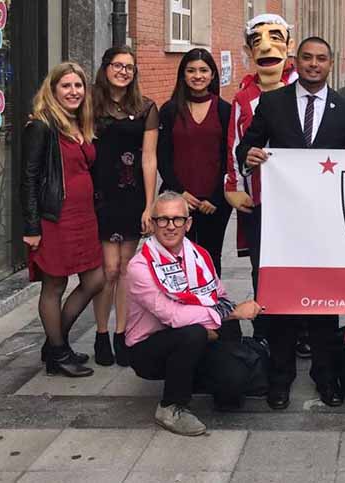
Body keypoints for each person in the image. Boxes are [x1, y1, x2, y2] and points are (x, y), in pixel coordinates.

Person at [236, 36, 345, 410]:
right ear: (297, 61)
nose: (313, 65)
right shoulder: (272, 103)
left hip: (325, 225)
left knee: (325, 304)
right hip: (281, 222)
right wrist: (250, 154)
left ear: (330, 63)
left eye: (321, 59)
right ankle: (280, 377)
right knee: (280, 303)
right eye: (306, 58)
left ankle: (325, 376)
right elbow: (246, 146)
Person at [124, 191, 263, 436]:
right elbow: (172, 317)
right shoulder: (140, 266)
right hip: (148, 349)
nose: (170, 226)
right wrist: (229, 314)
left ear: (188, 224)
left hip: (196, 335)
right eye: (163, 220)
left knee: (235, 380)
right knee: (196, 332)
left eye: (177, 219)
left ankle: (209, 379)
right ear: (152, 224)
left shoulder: (199, 254)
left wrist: (225, 316)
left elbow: (218, 296)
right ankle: (170, 406)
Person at [21, 62, 104, 377]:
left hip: (83, 218)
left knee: (95, 280)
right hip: (55, 218)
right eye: (66, 86)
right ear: (53, 90)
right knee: (54, 285)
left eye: (78, 86)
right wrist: (31, 227)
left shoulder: (78, 123)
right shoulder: (41, 126)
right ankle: (58, 353)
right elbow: (28, 179)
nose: (73, 92)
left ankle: (55, 343)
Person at [223, 14, 293, 343]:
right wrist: (234, 187)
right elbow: (235, 145)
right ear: (249, 51)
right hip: (258, 197)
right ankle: (265, 328)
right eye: (258, 41)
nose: (266, 46)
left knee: (298, 264)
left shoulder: (301, 91)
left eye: (276, 38)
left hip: (298, 200)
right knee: (261, 266)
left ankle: (299, 328)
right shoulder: (242, 99)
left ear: (289, 45)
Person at [90, 46, 159, 367]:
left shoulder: (145, 108)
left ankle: (122, 333)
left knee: (127, 269)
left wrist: (150, 204)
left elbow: (149, 158)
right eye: (117, 65)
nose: (123, 71)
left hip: (131, 196)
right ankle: (101, 333)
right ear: (105, 68)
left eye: (129, 67)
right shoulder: (91, 103)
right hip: (99, 195)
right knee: (109, 270)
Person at [158, 48, 233, 275]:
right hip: (178, 200)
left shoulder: (224, 110)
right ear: (183, 75)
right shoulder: (170, 110)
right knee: (177, 258)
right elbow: (163, 156)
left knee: (210, 258)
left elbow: (228, 157)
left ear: (212, 75)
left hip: (215, 202)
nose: (197, 76)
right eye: (191, 70)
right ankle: (180, 308)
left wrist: (216, 197)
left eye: (203, 70)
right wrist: (180, 192)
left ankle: (210, 307)